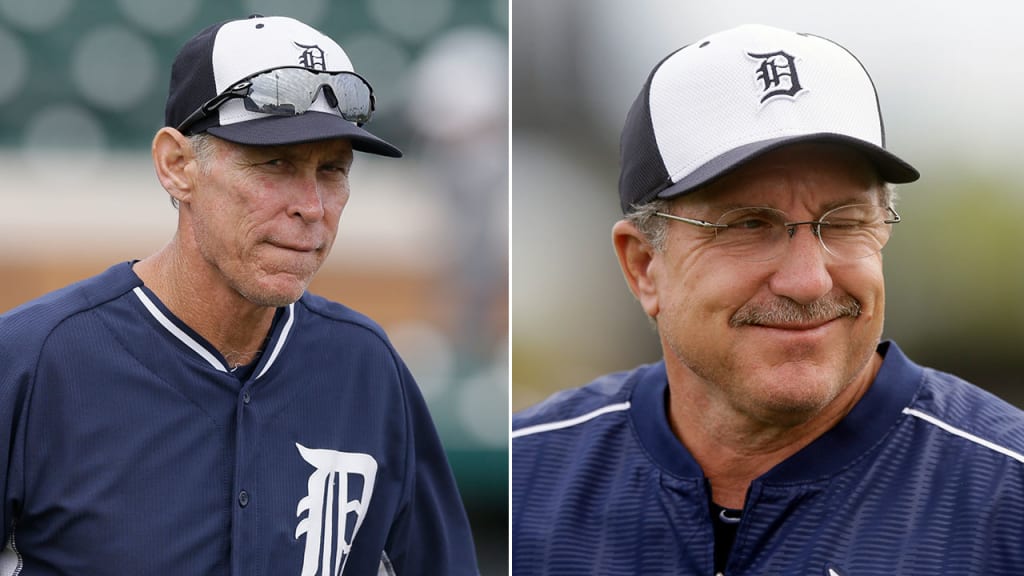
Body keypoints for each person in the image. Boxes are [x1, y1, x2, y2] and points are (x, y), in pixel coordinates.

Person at [511, 24, 1024, 575]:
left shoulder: (1007, 494)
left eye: (845, 222)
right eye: (748, 225)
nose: (808, 281)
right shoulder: (529, 478)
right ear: (644, 267)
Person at [0, 15, 478, 575]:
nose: (312, 207)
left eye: (332, 170)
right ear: (177, 166)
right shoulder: (34, 357)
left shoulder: (368, 366)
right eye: (274, 163)